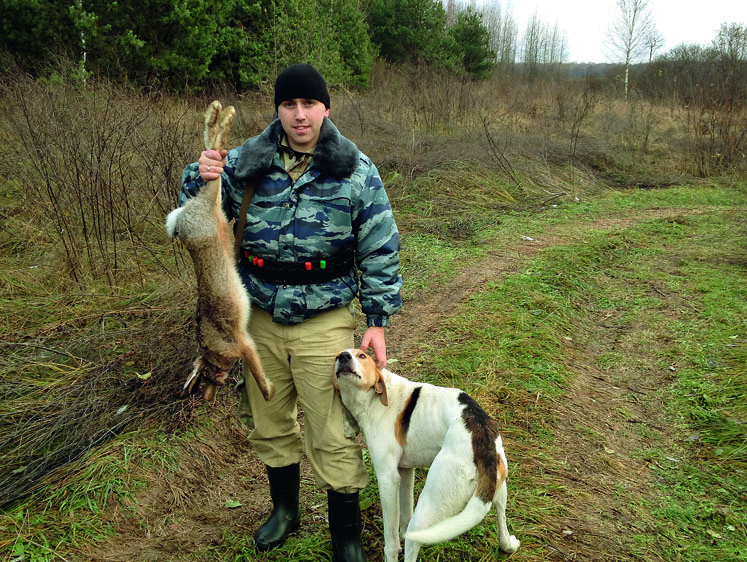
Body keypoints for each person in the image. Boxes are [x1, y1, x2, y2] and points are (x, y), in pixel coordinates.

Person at [178, 63, 402, 561]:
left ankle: (345, 536)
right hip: (257, 315)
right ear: (277, 109)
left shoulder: (355, 170)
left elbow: (380, 246)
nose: (299, 115)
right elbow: (195, 212)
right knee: (269, 418)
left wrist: (378, 320)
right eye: (289, 104)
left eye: (309, 104)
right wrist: (201, 174)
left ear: (326, 108)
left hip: (325, 318)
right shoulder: (245, 161)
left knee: (333, 429)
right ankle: (285, 510)